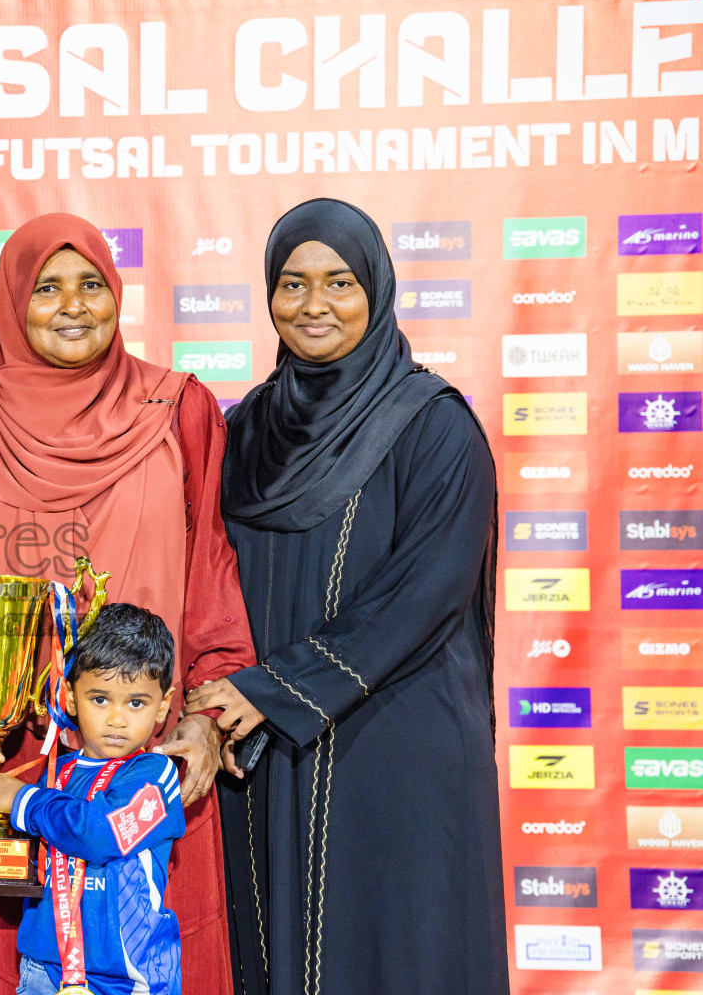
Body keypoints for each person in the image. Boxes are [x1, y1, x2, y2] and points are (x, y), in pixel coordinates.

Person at [0, 212, 255, 995]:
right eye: (46, 288)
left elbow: (210, 573)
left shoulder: (178, 407)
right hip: (3, 759)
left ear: (116, 294)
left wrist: (200, 717)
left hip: (142, 752)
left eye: (90, 284)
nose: (72, 305)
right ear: (11, 303)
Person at [185, 198, 507, 995]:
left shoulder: (434, 426)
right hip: (266, 744)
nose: (313, 305)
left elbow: (423, 595)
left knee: (390, 953)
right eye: (291, 284)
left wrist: (271, 689)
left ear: (375, 288)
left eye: (338, 282)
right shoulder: (248, 426)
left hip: (388, 738)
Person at [0, 604, 188, 995]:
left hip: (128, 981)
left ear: (163, 705)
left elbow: (99, 834)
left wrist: (20, 801)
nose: (117, 718)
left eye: (136, 703)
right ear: (69, 695)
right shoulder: (55, 773)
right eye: (100, 699)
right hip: (42, 973)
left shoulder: (156, 776)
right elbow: (16, 855)